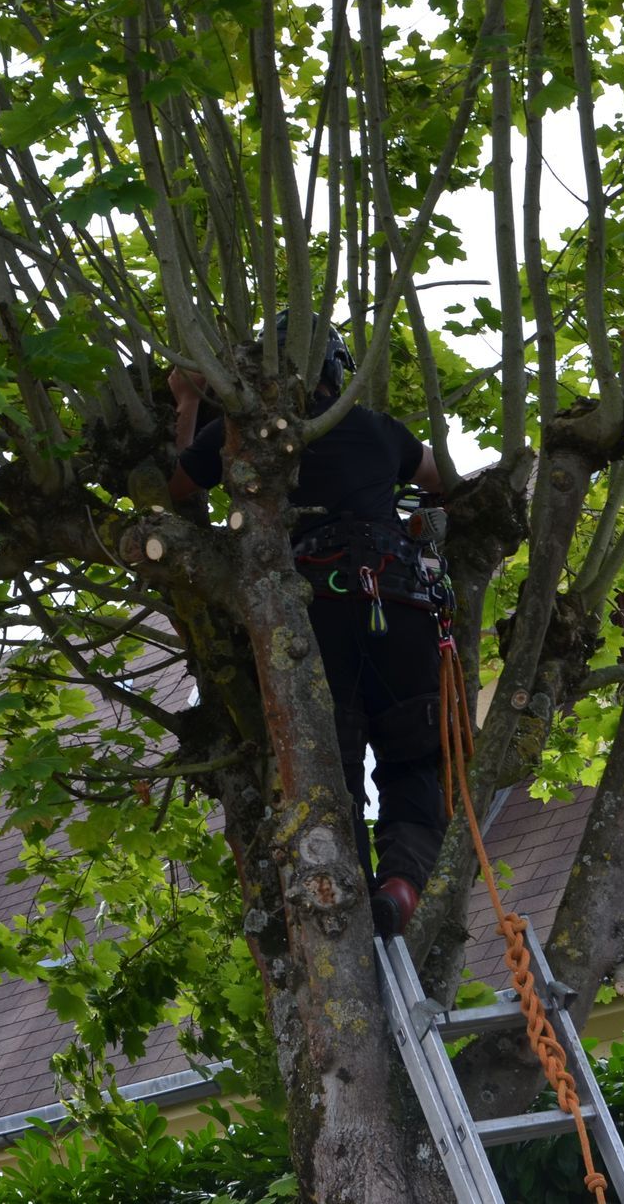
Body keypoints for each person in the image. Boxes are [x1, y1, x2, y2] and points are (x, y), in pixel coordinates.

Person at [167, 321, 447, 937]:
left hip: (317, 609)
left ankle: (342, 891)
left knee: (330, 768)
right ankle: (400, 885)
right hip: (397, 604)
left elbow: (172, 488)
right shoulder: (379, 430)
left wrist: (188, 403)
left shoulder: (240, 434)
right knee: (416, 761)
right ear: (336, 373)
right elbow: (440, 479)